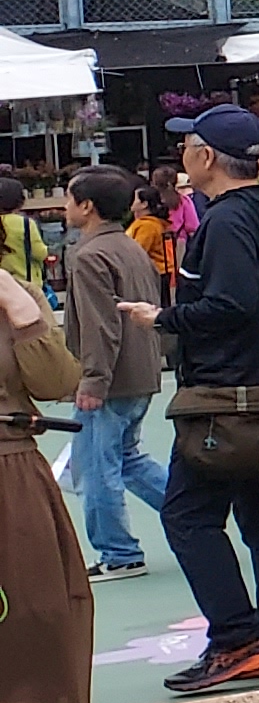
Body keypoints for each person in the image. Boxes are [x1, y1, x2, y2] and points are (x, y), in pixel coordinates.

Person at [127, 107, 259, 696]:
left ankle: (239, 638)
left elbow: (231, 303)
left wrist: (164, 317)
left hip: (224, 395)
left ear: (205, 155)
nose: (182, 156)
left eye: (187, 145)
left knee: (189, 515)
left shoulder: (228, 219)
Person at [56, 168, 165, 582]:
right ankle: (187, 507)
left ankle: (119, 553)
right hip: (141, 368)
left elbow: (99, 325)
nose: (66, 207)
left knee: (96, 467)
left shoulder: (88, 255)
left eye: (70, 199)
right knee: (127, 457)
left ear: (87, 206)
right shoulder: (130, 246)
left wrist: (93, 379)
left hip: (111, 376)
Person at [0, 251, 92, 703]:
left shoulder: (15, 294)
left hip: (12, 476)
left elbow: (58, 382)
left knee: (37, 621)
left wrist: (21, 311)